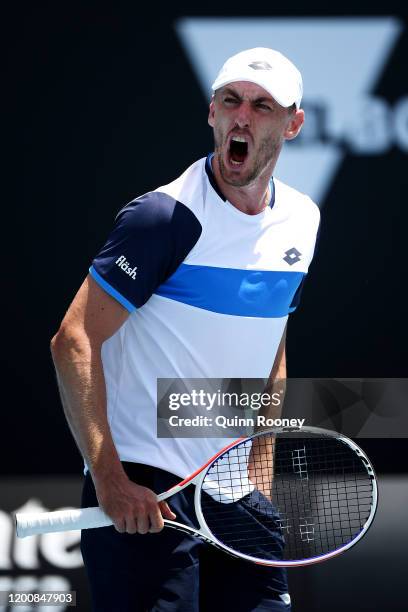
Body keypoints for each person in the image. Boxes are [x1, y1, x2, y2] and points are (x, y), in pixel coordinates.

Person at [51, 47, 320, 611]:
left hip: (235, 496)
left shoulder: (303, 219)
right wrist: (111, 481)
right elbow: (74, 340)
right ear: (212, 114)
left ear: (293, 124)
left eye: (263, 105)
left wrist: (259, 468)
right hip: (147, 495)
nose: (242, 116)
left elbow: (272, 347)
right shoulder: (162, 219)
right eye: (231, 101)